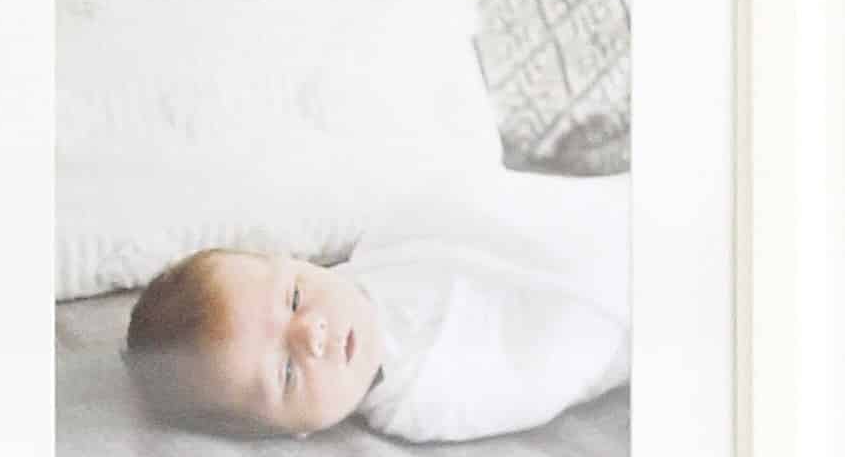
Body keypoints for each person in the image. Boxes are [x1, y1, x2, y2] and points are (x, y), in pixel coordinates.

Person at [123, 176, 631, 441]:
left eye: (294, 298)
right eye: (286, 373)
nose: (310, 334)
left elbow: (503, 198)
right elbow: (541, 379)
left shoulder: (389, 238)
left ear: (295, 262)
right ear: (295, 431)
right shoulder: (418, 401)